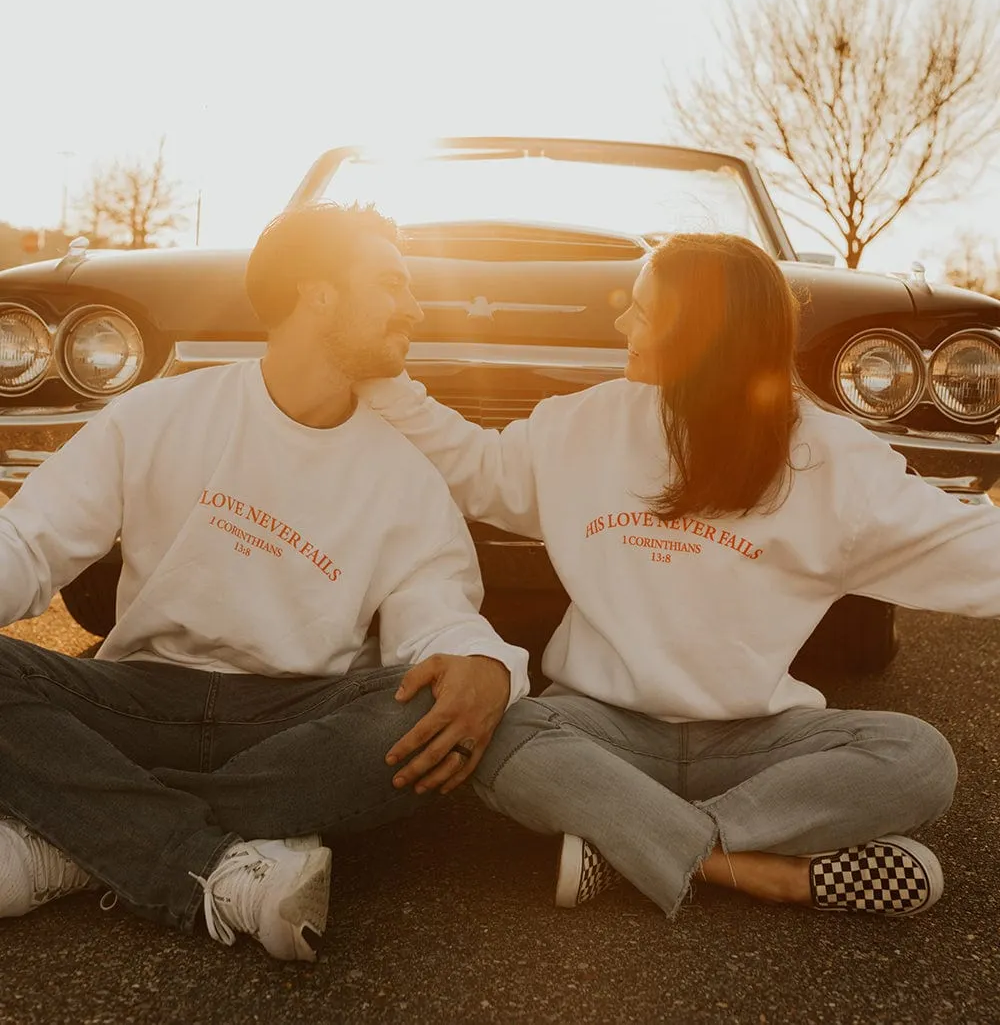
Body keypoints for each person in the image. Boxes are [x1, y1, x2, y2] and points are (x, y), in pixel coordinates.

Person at [358, 232, 1000, 920]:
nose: (620, 325)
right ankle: (763, 872)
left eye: (640, 310)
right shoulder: (586, 423)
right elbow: (473, 467)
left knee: (920, 758)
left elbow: (975, 550)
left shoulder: (832, 459)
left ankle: (627, 841)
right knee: (500, 732)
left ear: (700, 329)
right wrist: (377, 375)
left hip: (755, 742)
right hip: (596, 731)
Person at [0, 203, 528, 961]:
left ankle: (79, 838)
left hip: (295, 718)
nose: (413, 307)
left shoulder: (407, 478)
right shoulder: (162, 413)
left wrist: (485, 666)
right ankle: (215, 861)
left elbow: (435, 621)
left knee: (420, 720)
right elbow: (28, 541)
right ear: (318, 294)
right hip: (140, 695)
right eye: (390, 283)